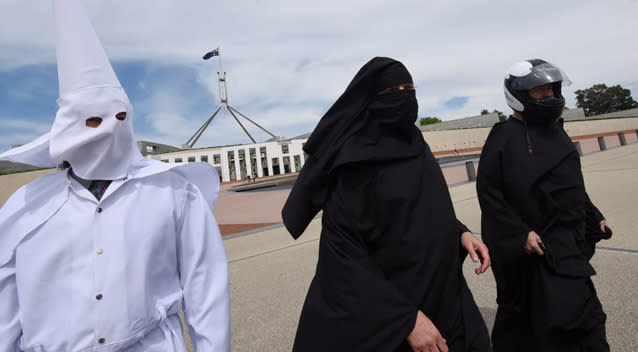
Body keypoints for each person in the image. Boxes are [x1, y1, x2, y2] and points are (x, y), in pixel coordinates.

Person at [0, 0, 230, 350]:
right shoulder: (25, 207)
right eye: (92, 121)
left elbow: (206, 288)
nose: (108, 131)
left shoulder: (174, 193)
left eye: (120, 117)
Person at [282, 57, 492, 352]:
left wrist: (460, 232)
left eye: (409, 87)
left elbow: (422, 209)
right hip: (393, 317)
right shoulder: (354, 163)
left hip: (445, 296)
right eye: (393, 90)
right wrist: (405, 321)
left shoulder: (416, 143)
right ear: (371, 99)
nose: (404, 96)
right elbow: (343, 257)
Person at [476, 58, 611, 351]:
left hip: (567, 243)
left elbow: (571, 186)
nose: (548, 95)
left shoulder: (556, 131)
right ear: (520, 95)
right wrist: (518, 233)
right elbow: (489, 195)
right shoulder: (503, 137)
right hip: (534, 247)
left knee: (581, 319)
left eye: (551, 88)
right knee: (549, 323)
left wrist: (593, 216)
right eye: (539, 90)